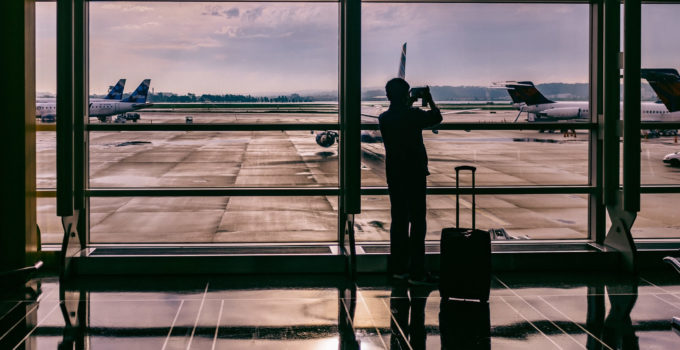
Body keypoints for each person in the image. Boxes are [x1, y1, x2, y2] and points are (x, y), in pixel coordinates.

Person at [378, 78, 442, 285]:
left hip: (394, 174)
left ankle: (398, 269)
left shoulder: (384, 118)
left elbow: (400, 112)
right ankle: (417, 271)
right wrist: (429, 99)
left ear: (388, 96)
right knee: (417, 221)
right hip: (415, 173)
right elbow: (436, 118)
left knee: (398, 221)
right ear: (406, 95)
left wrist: (409, 99)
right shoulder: (414, 115)